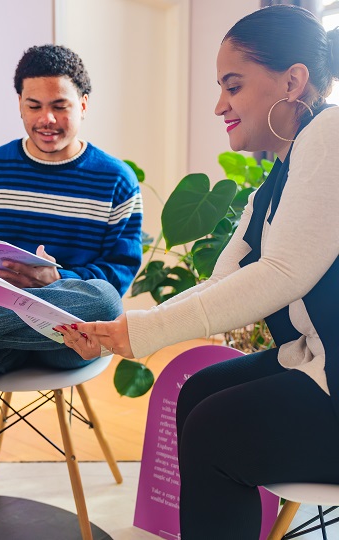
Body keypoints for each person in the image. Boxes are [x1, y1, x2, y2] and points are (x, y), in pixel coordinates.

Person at [57, 6, 339, 539]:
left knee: (215, 428)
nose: (218, 105)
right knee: (197, 392)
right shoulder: (278, 178)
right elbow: (222, 282)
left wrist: (136, 333)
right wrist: (122, 333)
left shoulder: (332, 133)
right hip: (321, 361)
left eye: (233, 86)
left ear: (293, 80)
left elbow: (282, 273)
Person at [0, 45, 142, 539]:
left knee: (100, 300)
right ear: (19, 104)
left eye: (59, 105)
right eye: (34, 106)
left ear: (84, 105)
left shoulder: (116, 182)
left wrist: (54, 281)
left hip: (64, 334)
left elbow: (114, 281)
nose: (47, 119)